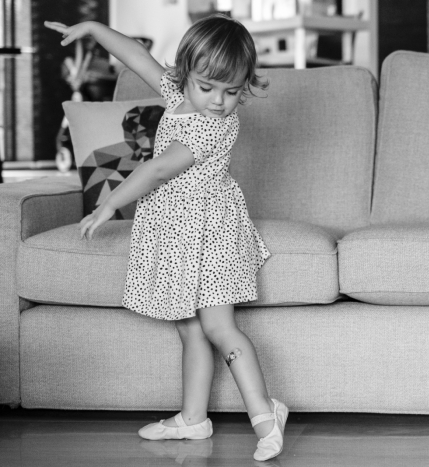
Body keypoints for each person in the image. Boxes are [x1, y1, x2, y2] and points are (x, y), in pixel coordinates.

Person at [45, 15, 287, 462]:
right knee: (189, 328)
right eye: (208, 87)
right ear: (185, 75)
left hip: (209, 234)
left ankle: (267, 417)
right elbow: (137, 57)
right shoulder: (179, 94)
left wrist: (110, 203)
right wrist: (94, 30)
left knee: (218, 327)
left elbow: (156, 169)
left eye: (232, 92)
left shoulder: (209, 127)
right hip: (177, 234)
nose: (218, 101)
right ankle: (193, 419)